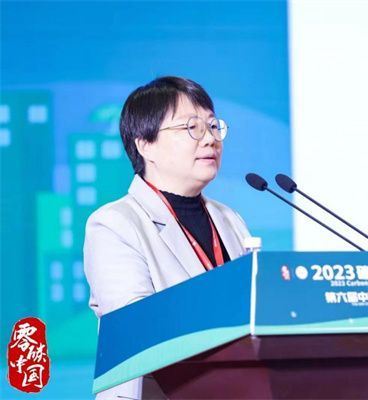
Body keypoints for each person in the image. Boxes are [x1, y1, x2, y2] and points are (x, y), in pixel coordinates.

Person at [83, 76, 252, 399]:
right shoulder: (114, 224)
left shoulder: (230, 220)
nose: (210, 139)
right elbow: (136, 326)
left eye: (213, 126)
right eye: (191, 128)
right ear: (145, 144)